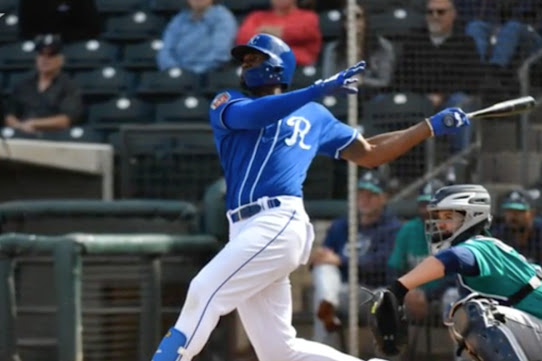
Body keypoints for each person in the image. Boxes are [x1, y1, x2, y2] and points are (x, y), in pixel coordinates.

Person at [150, 33, 470, 361]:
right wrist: (316, 90)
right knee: (278, 352)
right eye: (244, 60)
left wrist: (426, 127)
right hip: (244, 230)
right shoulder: (228, 101)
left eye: (254, 58)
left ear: (277, 67)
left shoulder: (315, 115)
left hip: (277, 219)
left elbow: (370, 152)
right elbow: (257, 115)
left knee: (204, 291)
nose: (245, 65)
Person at [370, 184, 542, 361]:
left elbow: (453, 259)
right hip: (538, 334)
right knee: (467, 328)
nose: (439, 223)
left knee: (478, 314)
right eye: (438, 216)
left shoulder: (483, 246)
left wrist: (398, 288)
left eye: (448, 216)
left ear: (471, 217)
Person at [311, 169, 402, 346]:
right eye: (361, 194)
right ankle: (327, 305)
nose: (364, 200)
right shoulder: (341, 225)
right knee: (323, 268)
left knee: (324, 294)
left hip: (373, 293)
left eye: (372, 195)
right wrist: (319, 257)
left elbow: (381, 263)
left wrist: (340, 261)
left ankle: (327, 305)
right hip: (341, 290)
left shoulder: (392, 228)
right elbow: (325, 256)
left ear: (384, 198)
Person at [395, 0, 482, 154]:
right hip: (418, 99)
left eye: (440, 12)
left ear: (453, 14)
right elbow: (401, 76)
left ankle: (458, 164)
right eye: (430, 12)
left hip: (449, 100)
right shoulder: (414, 41)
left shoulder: (465, 43)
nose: (435, 16)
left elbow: (472, 80)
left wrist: (442, 95)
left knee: (459, 104)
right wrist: (425, 95)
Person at [387, 179, 458, 322]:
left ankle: (461, 344)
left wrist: (428, 295)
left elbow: (459, 276)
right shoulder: (408, 230)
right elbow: (394, 269)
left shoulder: (458, 231)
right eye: (424, 204)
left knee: (453, 297)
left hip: (443, 295)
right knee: (383, 299)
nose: (428, 210)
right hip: (413, 295)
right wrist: (405, 291)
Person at [4, 34, 83, 133]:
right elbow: (10, 115)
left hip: (54, 138)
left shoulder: (69, 86)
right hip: (23, 135)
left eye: (51, 55)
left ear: (61, 59)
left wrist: (34, 123)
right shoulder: (22, 84)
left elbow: (66, 120)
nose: (45, 59)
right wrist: (19, 126)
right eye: (41, 54)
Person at [491, 189, 542, 288]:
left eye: (519, 211)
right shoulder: (499, 236)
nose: (513, 216)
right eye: (509, 211)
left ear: (532, 214)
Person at [321, 3, 396, 93]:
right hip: (342, 95)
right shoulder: (333, 48)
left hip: (372, 96)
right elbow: (328, 80)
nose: (351, 22)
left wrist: (363, 81)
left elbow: (385, 81)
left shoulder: (382, 46)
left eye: (357, 17)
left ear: (365, 20)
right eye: (347, 18)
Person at [157, 0, 237, 74]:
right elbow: (166, 51)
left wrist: (194, 72)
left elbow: (221, 53)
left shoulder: (223, 17)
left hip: (209, 74)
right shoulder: (179, 19)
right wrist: (175, 71)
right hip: (179, 75)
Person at [236, 0, 322, 66]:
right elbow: (243, 39)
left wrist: (266, 33)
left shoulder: (309, 17)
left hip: (297, 68)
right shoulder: (256, 16)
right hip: (260, 67)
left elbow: (303, 34)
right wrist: (278, 34)